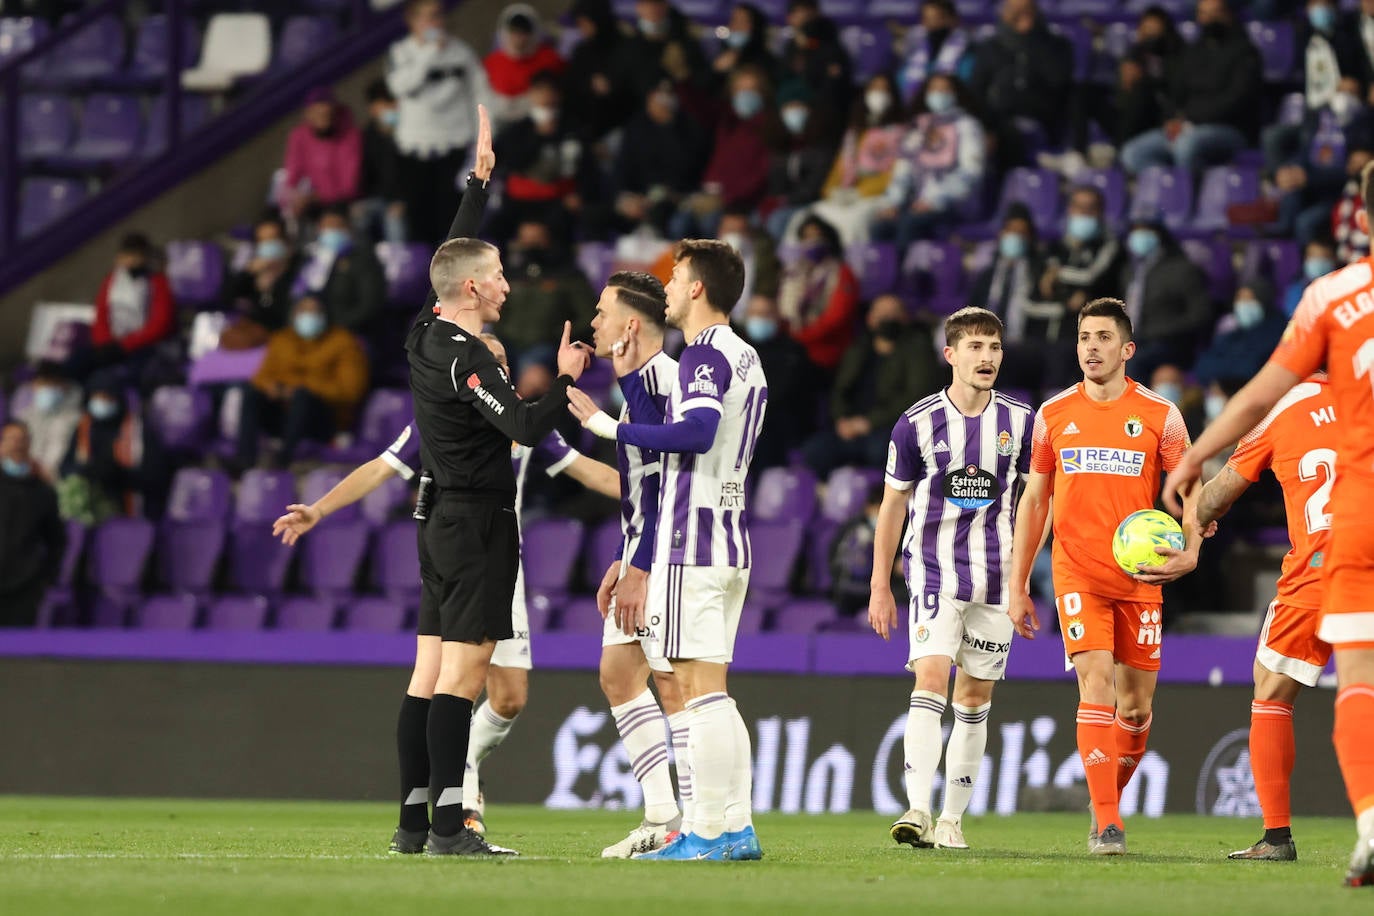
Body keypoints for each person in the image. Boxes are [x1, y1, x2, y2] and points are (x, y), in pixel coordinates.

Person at [272, 333, 618, 839]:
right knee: (450, 683)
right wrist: (320, 508)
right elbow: (379, 468)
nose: (495, 367)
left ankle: (430, 807)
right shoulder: (441, 418)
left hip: (500, 563)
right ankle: (455, 803)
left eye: (501, 360)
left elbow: (591, 473)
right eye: (488, 359)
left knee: (508, 697)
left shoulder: (523, 421)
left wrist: (656, 490)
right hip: (467, 553)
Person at [1161, 161, 1374, 888]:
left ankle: (1280, 834)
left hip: (1330, 555)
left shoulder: (1324, 325)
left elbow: (1224, 484)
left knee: (1278, 688)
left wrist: (1193, 496)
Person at [401, 114, 591, 854]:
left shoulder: (426, 331)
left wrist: (478, 184)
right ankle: (451, 824)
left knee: (432, 674)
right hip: (476, 522)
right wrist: (564, 382)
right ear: (476, 288)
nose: (510, 285)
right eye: (502, 276)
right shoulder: (469, 356)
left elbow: (447, 263)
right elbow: (519, 426)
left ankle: (414, 823)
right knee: (464, 675)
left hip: (436, 520)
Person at [567, 239, 767, 861]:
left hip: (692, 540)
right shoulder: (746, 354)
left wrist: (605, 425)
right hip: (724, 536)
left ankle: (704, 832)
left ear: (698, 288)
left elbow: (695, 434)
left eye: (677, 276)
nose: (671, 286)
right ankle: (732, 826)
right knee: (712, 690)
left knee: (697, 691)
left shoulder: (703, 355)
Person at [1008, 297, 1204, 856]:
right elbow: (1036, 499)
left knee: (1136, 709)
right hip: (1078, 574)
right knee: (1095, 685)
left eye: (1102, 338)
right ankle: (1109, 824)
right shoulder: (1051, 415)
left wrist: (1190, 548)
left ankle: (1102, 805)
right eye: (1083, 337)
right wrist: (1018, 583)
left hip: (1142, 578)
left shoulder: (1161, 415)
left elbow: (1190, 489)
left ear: (1127, 349)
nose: (1090, 347)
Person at [869, 306, 1034, 850]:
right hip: (934, 574)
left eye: (994, 348)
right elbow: (892, 506)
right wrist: (880, 586)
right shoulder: (915, 423)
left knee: (975, 695)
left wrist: (1024, 580)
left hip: (997, 579)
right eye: (975, 347)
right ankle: (916, 808)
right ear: (951, 355)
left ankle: (951, 820)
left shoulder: (1022, 423)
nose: (986, 358)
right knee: (931, 678)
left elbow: (1038, 501)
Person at [1195, 373, 1337, 862]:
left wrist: (1197, 516)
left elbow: (1218, 495)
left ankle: (1276, 838)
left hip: (1316, 574)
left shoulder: (1284, 406)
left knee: (1272, 691)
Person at [576, 271, 692, 858]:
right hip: (642, 553)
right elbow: (639, 487)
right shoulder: (637, 382)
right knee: (620, 676)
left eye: (601, 312)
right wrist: (624, 555)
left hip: (670, 559)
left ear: (629, 324)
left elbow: (674, 486)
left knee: (676, 686)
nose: (593, 322)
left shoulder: (672, 382)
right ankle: (663, 816)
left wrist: (642, 565)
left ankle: (700, 825)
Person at [386, 0, 492, 245]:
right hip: (414, 151)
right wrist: (430, 52)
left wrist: (482, 141)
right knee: (419, 224)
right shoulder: (400, 52)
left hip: (453, 148)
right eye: (428, 17)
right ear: (412, 20)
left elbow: (480, 95)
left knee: (453, 223)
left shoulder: (461, 52)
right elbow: (400, 86)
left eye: (438, 16)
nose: (435, 22)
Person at [801, 294, 939, 477]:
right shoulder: (858, 348)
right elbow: (840, 389)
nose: (887, 318)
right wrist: (841, 418)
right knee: (814, 451)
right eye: (881, 313)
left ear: (905, 318)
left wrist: (869, 422)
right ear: (870, 319)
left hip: (888, 429)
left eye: (893, 313)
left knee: (880, 452)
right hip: (849, 426)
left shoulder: (918, 350)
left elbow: (915, 397)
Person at [1119, 0, 1262, 176]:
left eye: (1215, 13)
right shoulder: (1193, 52)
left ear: (1228, 15)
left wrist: (1190, 120)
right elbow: (1175, 93)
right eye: (1204, 13)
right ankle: (1168, 192)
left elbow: (1237, 99)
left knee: (1186, 145)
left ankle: (1190, 197)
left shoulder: (1245, 52)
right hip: (1186, 126)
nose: (1209, 19)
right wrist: (1172, 119)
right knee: (1133, 153)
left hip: (1229, 129)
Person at [235, 296, 369, 469]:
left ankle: (284, 459)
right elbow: (261, 377)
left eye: (315, 311)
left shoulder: (344, 342)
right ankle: (244, 460)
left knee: (303, 395)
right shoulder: (281, 339)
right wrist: (273, 388)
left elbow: (351, 391)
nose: (309, 316)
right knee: (251, 392)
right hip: (282, 412)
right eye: (303, 311)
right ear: (294, 314)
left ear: (325, 314)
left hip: (323, 418)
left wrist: (305, 387)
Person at [871, 74, 985, 250]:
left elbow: (971, 173)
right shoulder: (918, 126)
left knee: (909, 225)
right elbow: (903, 170)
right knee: (880, 225)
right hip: (917, 202)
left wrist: (935, 199)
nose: (938, 94)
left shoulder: (967, 126)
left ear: (955, 93)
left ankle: (903, 275)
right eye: (933, 89)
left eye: (944, 89)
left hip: (954, 203)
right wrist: (892, 202)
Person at [799, 72, 906, 246]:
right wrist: (831, 191)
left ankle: (850, 269)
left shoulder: (900, 133)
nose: (878, 94)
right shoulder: (854, 132)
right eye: (874, 89)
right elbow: (838, 169)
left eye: (884, 89)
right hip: (845, 195)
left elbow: (896, 172)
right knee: (806, 218)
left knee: (852, 222)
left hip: (877, 197)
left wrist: (862, 192)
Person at [490, 71, 596, 246]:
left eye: (551, 91)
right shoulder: (517, 130)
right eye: (540, 91)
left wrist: (580, 194)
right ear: (531, 94)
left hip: (559, 198)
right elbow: (511, 163)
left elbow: (587, 169)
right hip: (521, 200)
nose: (546, 97)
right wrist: (538, 137)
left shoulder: (574, 130)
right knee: (496, 224)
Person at [967, 0, 1073, 169]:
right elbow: (977, 90)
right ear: (1003, 13)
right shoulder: (990, 48)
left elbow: (1058, 80)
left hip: (1042, 119)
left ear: (1036, 12)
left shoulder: (1057, 45)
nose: (1019, 14)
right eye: (1013, 9)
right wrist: (986, 127)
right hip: (998, 120)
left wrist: (1030, 39)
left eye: (1025, 9)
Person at [1116, 218, 1213, 382]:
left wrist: (1162, 330)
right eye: (1135, 230)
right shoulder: (1129, 271)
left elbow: (1201, 315)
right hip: (1136, 340)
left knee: (1131, 362)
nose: (1139, 236)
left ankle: (1130, 407)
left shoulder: (1182, 269)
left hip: (1171, 344)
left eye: (1146, 230)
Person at [613, 80, 708, 238]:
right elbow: (622, 169)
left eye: (667, 98)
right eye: (657, 98)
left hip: (676, 198)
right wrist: (626, 198)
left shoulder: (689, 130)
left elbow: (689, 170)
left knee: (671, 219)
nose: (662, 104)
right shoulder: (635, 129)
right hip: (639, 197)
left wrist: (669, 126)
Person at [80, 233, 175, 383]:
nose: (130, 260)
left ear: (145, 257)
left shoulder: (157, 283)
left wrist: (123, 345)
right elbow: (101, 315)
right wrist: (104, 343)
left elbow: (160, 324)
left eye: (135, 255)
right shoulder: (111, 280)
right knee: (77, 362)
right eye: (127, 255)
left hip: (141, 347)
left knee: (108, 376)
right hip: (109, 345)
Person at [737, 295, 815, 470]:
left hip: (777, 426)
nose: (760, 319)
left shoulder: (792, 353)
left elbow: (784, 394)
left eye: (766, 314)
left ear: (778, 317)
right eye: (755, 313)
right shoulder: (736, 348)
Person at [0, 421, 65, 628]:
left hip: (25, 586)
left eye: (23, 440)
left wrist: (46, 577)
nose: (17, 445)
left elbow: (57, 540)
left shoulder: (42, 492)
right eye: (11, 439)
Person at [778, 214, 860, 372]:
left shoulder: (842, 273)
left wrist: (803, 337)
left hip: (825, 348)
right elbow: (780, 309)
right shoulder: (792, 273)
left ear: (829, 239)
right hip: (791, 345)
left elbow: (837, 316)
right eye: (806, 237)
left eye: (817, 236)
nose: (812, 241)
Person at [290, 206, 387, 338]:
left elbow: (371, 304)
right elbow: (294, 297)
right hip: (302, 332)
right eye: (327, 226)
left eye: (338, 226)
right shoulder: (309, 259)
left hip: (348, 331)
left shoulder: (363, 260)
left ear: (349, 230)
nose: (332, 231)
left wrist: (337, 326)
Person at [277, 87, 362, 224]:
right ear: (308, 114)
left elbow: (349, 187)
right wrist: (292, 200)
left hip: (346, 203)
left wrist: (314, 197)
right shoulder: (299, 136)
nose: (322, 119)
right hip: (316, 203)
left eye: (326, 114)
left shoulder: (349, 135)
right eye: (317, 114)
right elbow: (291, 175)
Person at [220, 214, 299, 350]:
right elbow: (225, 298)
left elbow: (287, 314)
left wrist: (276, 282)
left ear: (285, 241)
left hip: (286, 335)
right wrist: (247, 273)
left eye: (272, 239)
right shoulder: (256, 271)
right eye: (262, 241)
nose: (267, 246)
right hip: (257, 336)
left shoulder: (298, 268)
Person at [483, 4, 565, 130]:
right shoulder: (491, 63)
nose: (519, 39)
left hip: (540, 126)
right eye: (514, 32)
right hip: (501, 127)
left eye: (524, 33)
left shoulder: (549, 59)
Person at [1194, 280, 1287, 387]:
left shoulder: (1278, 333)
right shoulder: (1234, 334)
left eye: (1249, 299)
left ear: (1263, 301)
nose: (1243, 305)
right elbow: (1203, 366)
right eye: (1240, 299)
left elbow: (1251, 368)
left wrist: (1223, 370)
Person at [355, 78, 407, 244]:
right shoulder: (368, 136)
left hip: (406, 197)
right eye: (382, 104)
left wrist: (402, 201)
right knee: (359, 215)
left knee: (394, 220)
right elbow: (367, 176)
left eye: (391, 102)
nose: (389, 108)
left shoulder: (409, 131)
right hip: (381, 198)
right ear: (372, 109)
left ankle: (398, 266)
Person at [16, 361, 82, 483]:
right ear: (34, 386)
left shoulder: (76, 419)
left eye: (53, 384)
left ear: (65, 386)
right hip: (26, 479)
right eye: (43, 383)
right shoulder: (25, 417)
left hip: (61, 481)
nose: (47, 389)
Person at [898, 0, 974, 103]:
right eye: (927, 19)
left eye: (938, 18)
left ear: (953, 20)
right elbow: (902, 83)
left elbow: (967, 86)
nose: (932, 24)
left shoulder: (967, 52)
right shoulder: (914, 53)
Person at [1283, 237, 1338, 316]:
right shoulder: (1296, 289)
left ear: (1334, 259)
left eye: (1324, 257)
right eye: (1314, 257)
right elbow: (1293, 317)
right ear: (1306, 259)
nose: (1318, 262)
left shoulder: (1342, 287)